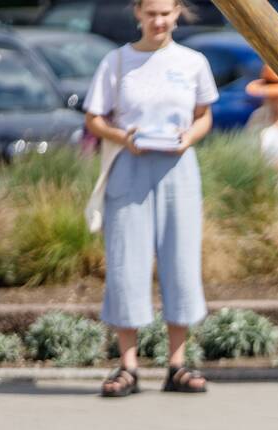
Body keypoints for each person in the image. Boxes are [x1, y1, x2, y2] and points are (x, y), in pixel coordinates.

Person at [83, 0, 218, 397]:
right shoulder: (117, 62)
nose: (158, 21)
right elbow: (94, 118)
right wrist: (124, 137)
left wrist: (188, 138)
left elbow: (204, 115)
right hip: (131, 165)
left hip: (178, 168)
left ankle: (177, 363)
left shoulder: (192, 62)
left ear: (178, 13)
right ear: (138, 14)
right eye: (151, 13)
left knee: (181, 260)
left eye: (166, 13)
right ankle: (128, 366)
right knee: (127, 262)